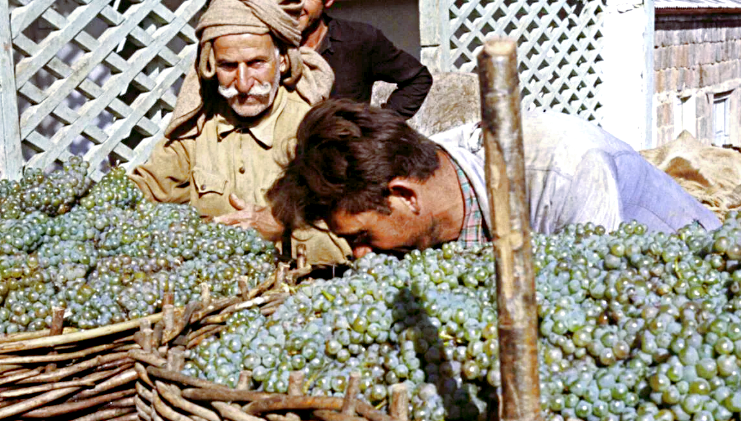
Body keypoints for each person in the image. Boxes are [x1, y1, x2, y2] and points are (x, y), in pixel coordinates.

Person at [268, 98, 721, 258]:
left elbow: (596, 313)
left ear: (405, 195)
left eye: (363, 235)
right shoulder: (432, 167)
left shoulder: (565, 172)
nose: (362, 255)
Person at [129, 0, 350, 266]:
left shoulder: (315, 133)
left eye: (257, 63)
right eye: (228, 66)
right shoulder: (197, 131)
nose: (243, 83)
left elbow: (351, 240)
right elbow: (142, 190)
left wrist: (281, 229)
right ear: (210, 66)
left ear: (282, 60)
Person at [264, 0, 432, 118]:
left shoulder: (359, 40)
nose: (292, 4)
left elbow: (418, 79)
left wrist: (380, 126)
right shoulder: (262, 41)